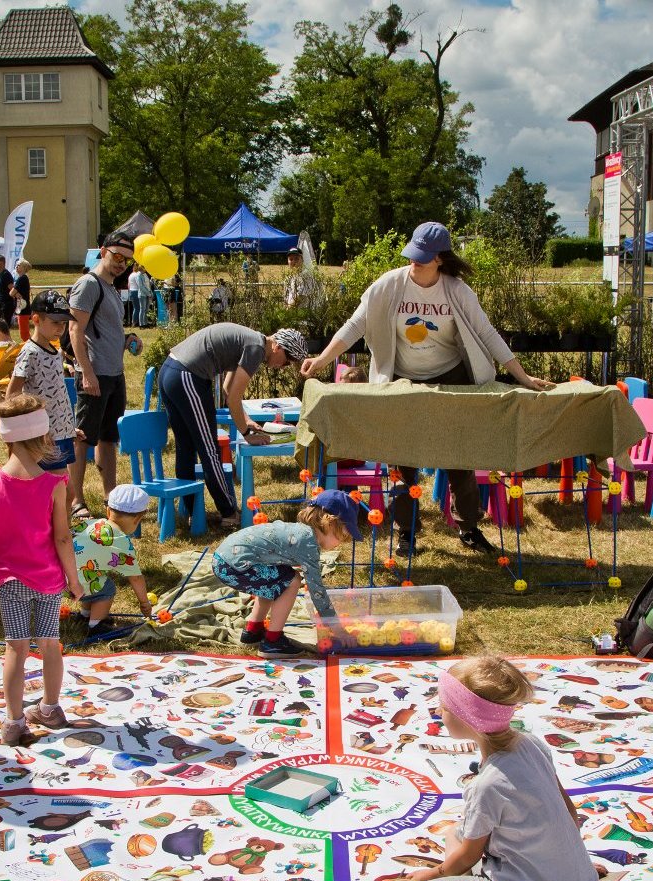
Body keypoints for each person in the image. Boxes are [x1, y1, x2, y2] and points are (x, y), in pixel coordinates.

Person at [300, 221, 557, 556]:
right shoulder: (389, 285)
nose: (414, 262)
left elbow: (488, 333)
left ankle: (468, 528)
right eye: (412, 255)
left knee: (460, 455)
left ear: (440, 258)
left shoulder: (457, 290)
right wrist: (321, 359)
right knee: (403, 456)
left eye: (423, 257)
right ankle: (406, 532)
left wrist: (521, 376)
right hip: (403, 380)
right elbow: (354, 325)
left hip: (451, 378)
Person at [373, 656, 595, 881]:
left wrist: (435, 874)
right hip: (575, 876)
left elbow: (468, 855)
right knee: (454, 832)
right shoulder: (532, 744)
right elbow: (569, 812)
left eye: (445, 707)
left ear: (468, 717)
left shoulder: (487, 785)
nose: (439, 711)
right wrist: (560, 861)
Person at [0, 394, 85, 744]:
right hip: (49, 581)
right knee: (50, 644)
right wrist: (74, 580)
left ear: (6, 438)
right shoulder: (54, 486)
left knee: (15, 648)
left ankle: (14, 721)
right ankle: (50, 708)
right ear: (44, 438)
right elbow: (63, 539)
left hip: (9, 581)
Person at [161, 323, 310, 527]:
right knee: (210, 450)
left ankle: (193, 513)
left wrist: (247, 420)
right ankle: (229, 513)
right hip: (187, 377)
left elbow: (226, 388)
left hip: (170, 371)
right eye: (286, 362)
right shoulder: (256, 349)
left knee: (186, 447)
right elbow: (232, 398)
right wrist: (247, 433)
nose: (281, 367)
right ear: (278, 347)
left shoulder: (250, 340)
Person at [212, 489, 358, 657]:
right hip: (233, 565)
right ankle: (273, 642)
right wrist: (337, 628)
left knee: (277, 578)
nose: (341, 543)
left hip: (224, 559)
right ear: (329, 522)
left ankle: (253, 631)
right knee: (292, 581)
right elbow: (317, 591)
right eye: (343, 536)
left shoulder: (302, 533)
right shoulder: (308, 544)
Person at [68, 231, 135, 519]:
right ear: (102, 251)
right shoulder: (89, 284)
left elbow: (106, 330)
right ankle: (76, 501)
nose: (122, 264)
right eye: (117, 256)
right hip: (94, 375)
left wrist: (128, 337)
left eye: (127, 260)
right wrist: (86, 372)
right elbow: (75, 330)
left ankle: (111, 497)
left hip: (114, 374)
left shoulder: (111, 287)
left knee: (109, 439)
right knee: (82, 439)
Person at [7, 290, 80, 484]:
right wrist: (24, 430)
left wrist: (69, 428)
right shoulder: (30, 353)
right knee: (54, 490)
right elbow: (12, 393)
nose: (61, 328)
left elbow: (58, 394)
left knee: (63, 489)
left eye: (64, 323)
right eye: (55, 322)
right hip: (42, 436)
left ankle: (62, 516)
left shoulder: (56, 352)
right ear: (36, 319)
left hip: (61, 433)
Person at [73, 484, 153, 634]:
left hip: (57, 579)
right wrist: (144, 603)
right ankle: (96, 624)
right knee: (107, 587)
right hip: (77, 584)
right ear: (138, 518)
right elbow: (135, 578)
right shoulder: (122, 542)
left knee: (94, 575)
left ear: (108, 510)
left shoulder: (90, 523)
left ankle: (85, 615)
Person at [13, 258, 33, 339]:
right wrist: (16, 294)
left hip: (23, 309)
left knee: (24, 334)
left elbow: (11, 292)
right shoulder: (22, 278)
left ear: (24, 268)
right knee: (24, 333)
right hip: (22, 307)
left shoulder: (22, 278)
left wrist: (15, 293)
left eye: (19, 265)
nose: (16, 266)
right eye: (16, 265)